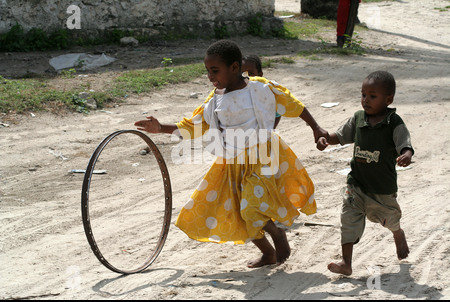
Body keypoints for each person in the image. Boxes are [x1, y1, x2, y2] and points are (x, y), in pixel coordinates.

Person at [135, 40, 327, 268]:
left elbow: (293, 105)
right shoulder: (215, 99)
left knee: (251, 205)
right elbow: (194, 125)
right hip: (232, 161)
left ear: (234, 68)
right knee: (238, 211)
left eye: (215, 71)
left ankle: (277, 233)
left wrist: (315, 127)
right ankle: (268, 253)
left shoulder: (260, 88)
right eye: (207, 71)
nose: (209, 76)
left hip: (262, 157)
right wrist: (161, 128)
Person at [316, 71, 413, 276]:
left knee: (390, 219)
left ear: (389, 99)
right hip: (356, 185)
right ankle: (346, 263)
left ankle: (397, 233)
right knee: (348, 220)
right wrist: (326, 140)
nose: (365, 100)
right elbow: (340, 136)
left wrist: (406, 154)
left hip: (382, 189)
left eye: (372, 96)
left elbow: (405, 144)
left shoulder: (394, 123)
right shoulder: (358, 118)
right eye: (363, 95)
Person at [242, 54, 281, 128]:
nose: (246, 77)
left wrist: (271, 129)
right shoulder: (234, 92)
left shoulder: (266, 92)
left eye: (251, 73)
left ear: (260, 75)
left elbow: (277, 113)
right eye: (242, 73)